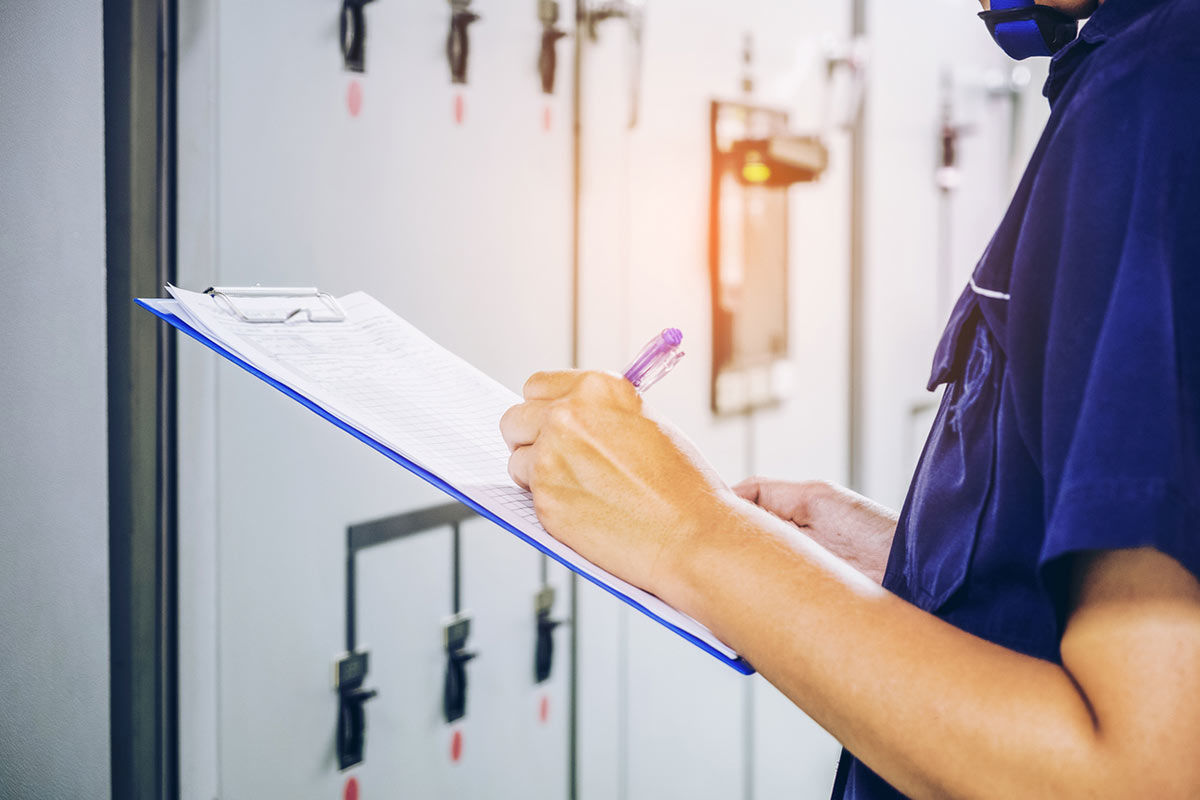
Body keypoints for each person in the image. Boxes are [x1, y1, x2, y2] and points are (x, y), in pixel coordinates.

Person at [500, 0, 1200, 796]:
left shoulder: (1159, 88)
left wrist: (693, 534)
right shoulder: (1141, 74)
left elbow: (1138, 774)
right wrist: (909, 567)